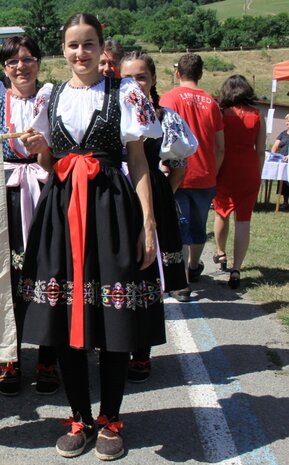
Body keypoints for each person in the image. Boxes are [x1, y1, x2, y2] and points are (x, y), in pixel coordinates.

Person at [20, 13, 162, 461]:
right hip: (62, 213)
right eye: (72, 45)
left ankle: (111, 418)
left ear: (103, 48)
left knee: (113, 317)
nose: (80, 53)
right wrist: (42, 152)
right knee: (65, 315)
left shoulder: (126, 93)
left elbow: (138, 163)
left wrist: (149, 225)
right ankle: (79, 416)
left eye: (88, 44)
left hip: (110, 211)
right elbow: (47, 167)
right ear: (62, 50)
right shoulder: (50, 95)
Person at [0, 35, 60, 397]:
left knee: (51, 272)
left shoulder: (55, 100)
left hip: (49, 190)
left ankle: (48, 356)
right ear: (3, 68)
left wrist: (45, 152)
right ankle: (9, 358)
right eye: (12, 61)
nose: (21, 66)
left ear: (38, 63)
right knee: (6, 277)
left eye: (27, 59)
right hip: (7, 193)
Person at [120, 50, 198, 382]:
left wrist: (163, 193)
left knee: (149, 276)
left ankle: (142, 352)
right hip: (116, 198)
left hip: (151, 194)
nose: (135, 83)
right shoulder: (113, 113)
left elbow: (179, 165)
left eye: (141, 76)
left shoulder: (164, 117)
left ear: (153, 80)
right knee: (119, 274)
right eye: (127, 77)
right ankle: (116, 344)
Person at [160, 53, 225, 302]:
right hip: (205, 174)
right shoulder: (211, 103)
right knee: (198, 225)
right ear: (201, 73)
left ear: (178, 73)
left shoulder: (169, 99)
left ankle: (182, 283)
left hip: (178, 172)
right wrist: (213, 171)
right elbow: (220, 147)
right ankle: (194, 266)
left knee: (180, 227)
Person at [213, 75, 266, 289]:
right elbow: (261, 150)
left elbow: (218, 146)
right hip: (249, 170)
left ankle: (221, 252)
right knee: (243, 221)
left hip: (225, 168)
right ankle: (236, 269)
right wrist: (258, 174)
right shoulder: (257, 115)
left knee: (221, 212)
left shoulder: (222, 114)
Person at [270, 113, 289, 210]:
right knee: (283, 183)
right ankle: (285, 203)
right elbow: (274, 147)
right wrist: (273, 154)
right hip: (282, 163)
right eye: (287, 121)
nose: (288, 123)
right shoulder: (283, 134)